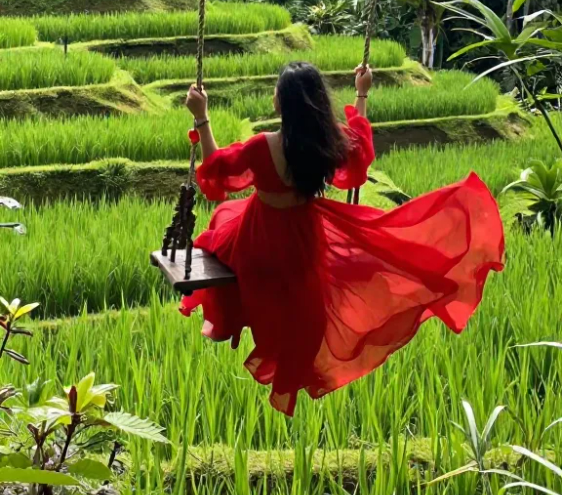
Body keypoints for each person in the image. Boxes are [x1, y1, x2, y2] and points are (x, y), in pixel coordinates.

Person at [181, 62, 504, 417]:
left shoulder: (262, 147)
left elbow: (215, 170)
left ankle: (244, 320)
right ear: (319, 102)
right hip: (304, 240)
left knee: (221, 226)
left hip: (258, 242)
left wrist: (201, 116)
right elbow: (360, 152)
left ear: (280, 103)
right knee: (305, 292)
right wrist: (361, 92)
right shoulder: (327, 141)